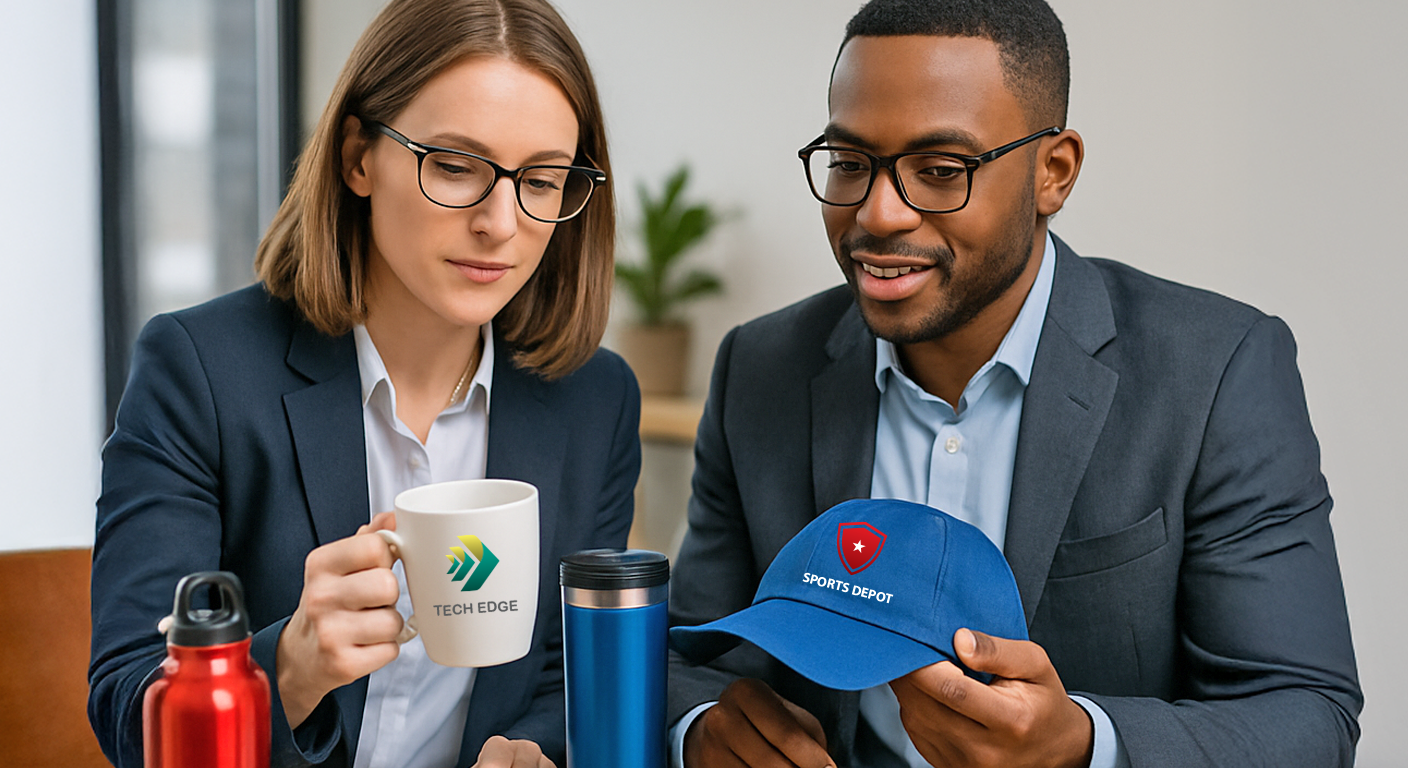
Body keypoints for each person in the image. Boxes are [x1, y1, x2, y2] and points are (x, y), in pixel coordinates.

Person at [666, 1, 1361, 767]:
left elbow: (1306, 717)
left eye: (940, 170)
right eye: (850, 162)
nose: (879, 213)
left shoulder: (1216, 373)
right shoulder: (760, 368)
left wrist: (1084, 743)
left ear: (1052, 173)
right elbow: (692, 651)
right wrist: (700, 725)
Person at [88, 1, 639, 766]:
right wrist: (287, 668)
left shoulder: (593, 399)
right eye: (455, 167)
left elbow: (558, 670)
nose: (500, 222)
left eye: (542, 181)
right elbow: (126, 708)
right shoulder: (198, 370)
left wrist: (530, 748)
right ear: (357, 158)